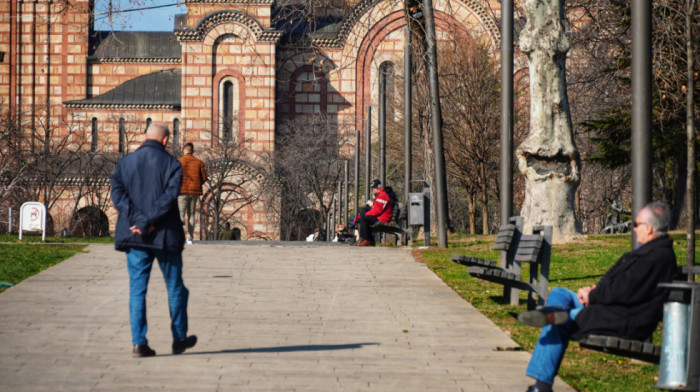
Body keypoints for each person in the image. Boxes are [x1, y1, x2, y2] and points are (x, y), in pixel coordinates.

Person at [518, 202, 678, 392]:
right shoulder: (652, 253)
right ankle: (557, 313)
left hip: (622, 320)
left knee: (560, 321)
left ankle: (541, 385)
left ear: (649, 228)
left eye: (636, 225)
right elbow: (623, 285)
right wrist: (593, 291)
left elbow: (624, 290)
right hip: (612, 308)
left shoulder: (656, 257)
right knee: (560, 293)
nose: (634, 230)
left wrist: (592, 296)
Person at [110, 122, 197, 358]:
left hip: (134, 235)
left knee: (137, 290)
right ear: (166, 140)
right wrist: (148, 221)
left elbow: (117, 195)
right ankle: (179, 338)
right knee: (175, 287)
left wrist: (138, 221)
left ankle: (139, 342)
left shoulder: (125, 163)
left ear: (144, 136)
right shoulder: (172, 164)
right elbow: (169, 198)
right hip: (165, 236)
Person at [178, 142, 207, 244]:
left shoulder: (179, 161)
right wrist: (197, 183)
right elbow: (204, 178)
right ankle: (189, 238)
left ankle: (180, 236)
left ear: (183, 151)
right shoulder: (199, 162)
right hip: (194, 192)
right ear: (193, 151)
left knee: (180, 214)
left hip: (181, 192)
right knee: (191, 214)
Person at [356, 179, 393, 247]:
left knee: (364, 219)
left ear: (379, 187)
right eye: (372, 187)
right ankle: (367, 239)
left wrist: (366, 214)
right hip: (379, 216)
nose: (373, 189)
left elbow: (377, 210)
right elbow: (376, 208)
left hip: (383, 218)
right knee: (360, 219)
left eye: (374, 187)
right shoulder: (379, 195)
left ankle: (366, 239)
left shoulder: (382, 195)